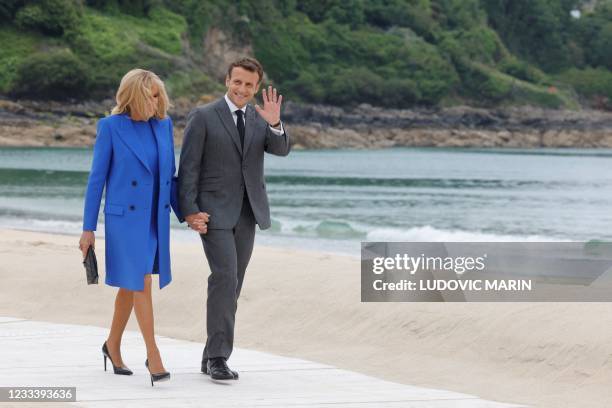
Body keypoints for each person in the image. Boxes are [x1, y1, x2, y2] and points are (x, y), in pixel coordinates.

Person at [178, 57, 290, 380]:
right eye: (237, 82)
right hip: (213, 213)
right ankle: (218, 358)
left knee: (233, 284)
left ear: (256, 88)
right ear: (227, 80)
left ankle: (210, 352)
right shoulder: (203, 116)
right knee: (225, 277)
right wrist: (188, 210)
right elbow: (188, 168)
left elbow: (281, 149)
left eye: (249, 85)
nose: (242, 89)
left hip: (248, 213)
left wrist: (275, 124)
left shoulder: (260, 118)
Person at [79, 68, 181, 386]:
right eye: (151, 95)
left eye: (158, 94)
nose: (157, 100)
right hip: (125, 221)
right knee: (140, 283)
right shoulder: (110, 128)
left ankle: (112, 345)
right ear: (134, 95)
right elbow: (96, 180)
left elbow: (170, 179)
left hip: (154, 220)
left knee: (130, 285)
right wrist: (87, 229)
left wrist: (188, 214)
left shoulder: (162, 126)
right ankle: (154, 354)